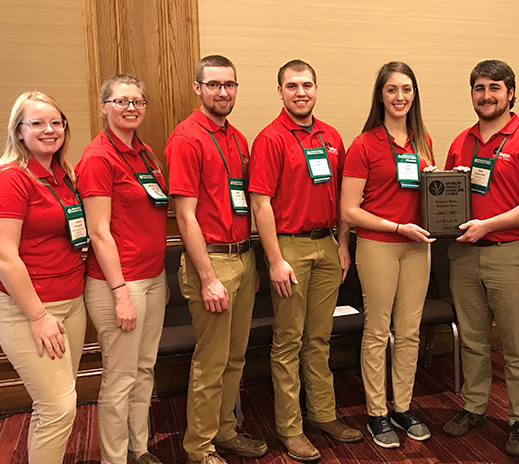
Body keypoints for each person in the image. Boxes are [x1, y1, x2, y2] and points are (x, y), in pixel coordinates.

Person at [249, 59, 363, 462]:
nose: (301, 92)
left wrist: (344, 244)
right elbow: (260, 204)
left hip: (328, 246)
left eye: (307, 85)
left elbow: (344, 200)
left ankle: (323, 415)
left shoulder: (332, 136)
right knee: (288, 342)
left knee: (319, 339)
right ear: (280, 91)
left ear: (317, 89)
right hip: (290, 249)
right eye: (292, 85)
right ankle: (290, 429)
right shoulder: (270, 138)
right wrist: (275, 259)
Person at [442, 60, 519, 456]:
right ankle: (474, 407)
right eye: (479, 88)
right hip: (464, 254)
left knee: (516, 344)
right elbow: (445, 197)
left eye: (494, 87)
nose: (486, 95)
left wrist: (488, 225)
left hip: (510, 254)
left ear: (510, 93)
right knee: (472, 340)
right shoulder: (461, 141)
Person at [0, 91, 87, 464]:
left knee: (62, 400)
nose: (49, 130)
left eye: (56, 122)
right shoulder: (6, 179)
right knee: (57, 407)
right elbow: (4, 258)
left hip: (71, 301)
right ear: (18, 131)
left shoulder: (62, 175)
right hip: (29, 309)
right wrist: (38, 316)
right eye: (37, 123)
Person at [165, 55, 267, 464]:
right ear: (198, 88)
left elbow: (241, 205)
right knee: (211, 363)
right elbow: (184, 216)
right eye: (213, 85)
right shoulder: (187, 138)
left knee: (235, 357)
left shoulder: (237, 139)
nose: (222, 92)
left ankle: (226, 432)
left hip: (242, 258)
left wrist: (252, 263)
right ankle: (199, 447)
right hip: (212, 263)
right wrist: (208, 277)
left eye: (229, 85)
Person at [340, 61, 436, 448]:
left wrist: (450, 179)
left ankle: (403, 407)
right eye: (393, 90)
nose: (401, 97)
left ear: (415, 95)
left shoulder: (422, 139)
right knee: (378, 331)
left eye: (407, 90)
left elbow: (428, 193)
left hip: (418, 249)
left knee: (409, 332)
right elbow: (349, 209)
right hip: (379, 246)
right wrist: (395, 227)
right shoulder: (365, 144)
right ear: (381, 95)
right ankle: (377, 412)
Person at [76, 74, 168, 464]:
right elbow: (98, 231)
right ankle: (114, 459)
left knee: (144, 370)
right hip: (120, 284)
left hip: (154, 277)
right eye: (122, 101)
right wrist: (119, 294)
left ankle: (139, 448)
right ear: (104, 107)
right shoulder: (98, 157)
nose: (131, 108)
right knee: (119, 378)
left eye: (138, 102)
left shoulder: (145, 153)